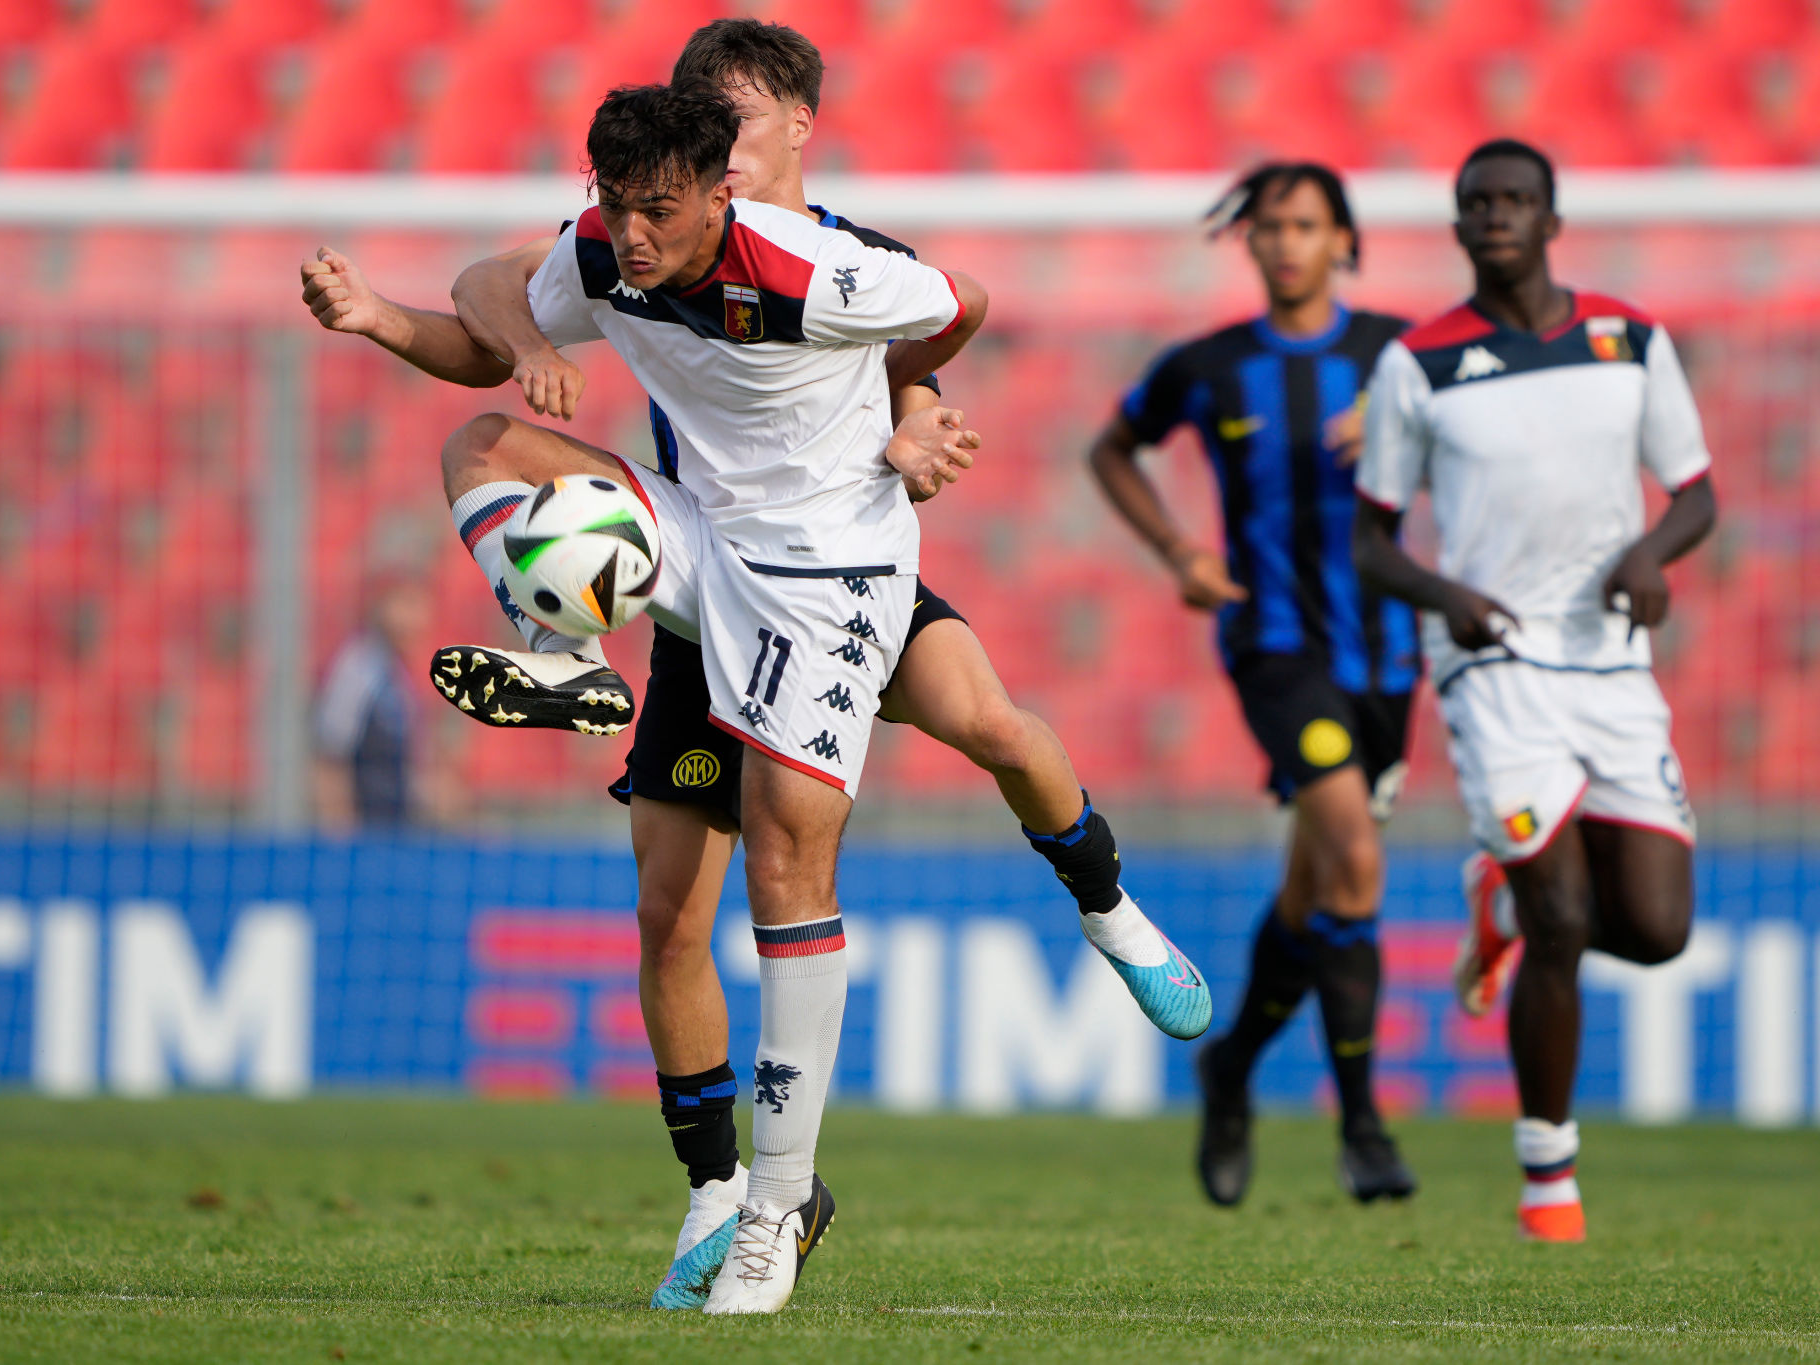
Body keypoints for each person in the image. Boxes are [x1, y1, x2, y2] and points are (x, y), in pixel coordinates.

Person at [298, 79, 1203, 1314]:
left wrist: (917, 407)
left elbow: (958, 307)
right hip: (697, 563)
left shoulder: (823, 267)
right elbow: (489, 292)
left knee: (931, 769)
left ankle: (1079, 936)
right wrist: (403, 325)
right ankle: (720, 1194)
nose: (630, 232)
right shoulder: (619, 246)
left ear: (760, 150)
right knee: (488, 461)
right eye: (613, 205)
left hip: (833, 581)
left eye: (656, 205)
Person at [1352, 139, 1716, 1243]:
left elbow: (1694, 493)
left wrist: (1652, 556)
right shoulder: (1416, 365)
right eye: (1477, 204)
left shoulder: (1627, 340)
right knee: (1563, 914)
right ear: (1458, 227)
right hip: (1492, 663)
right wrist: (1443, 593)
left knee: (1654, 930)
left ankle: (1497, 903)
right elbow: (1371, 542)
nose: (1495, 217)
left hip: (1610, 665)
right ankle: (1547, 1177)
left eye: (1515, 201)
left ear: (1551, 218)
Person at [1089, 162, 1417, 1207]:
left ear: (1342, 242)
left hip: (1388, 658)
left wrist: (1406, 430)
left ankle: (1226, 1067)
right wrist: (1178, 553)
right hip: (1274, 651)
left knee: (1315, 886)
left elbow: (1483, 450)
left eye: (1305, 226)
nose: (1283, 243)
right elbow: (1113, 450)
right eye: (1268, 227)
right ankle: (1361, 1126)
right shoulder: (1211, 366)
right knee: (1354, 859)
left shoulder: (1401, 358)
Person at [311, 572, 434, 828]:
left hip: (393, 831)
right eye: (406, 604)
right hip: (365, 833)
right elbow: (331, 759)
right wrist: (342, 836)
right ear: (380, 606)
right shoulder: (359, 667)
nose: (416, 619)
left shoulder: (396, 672)